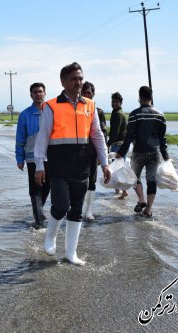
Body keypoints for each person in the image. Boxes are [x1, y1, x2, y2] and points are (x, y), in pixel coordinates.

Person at [34, 62, 111, 265]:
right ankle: (50, 236)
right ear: (63, 81)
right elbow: (42, 137)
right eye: (74, 79)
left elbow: (97, 135)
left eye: (81, 78)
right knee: (61, 205)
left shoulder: (90, 105)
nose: (79, 82)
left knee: (76, 209)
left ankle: (70, 253)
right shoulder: (51, 105)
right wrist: (40, 165)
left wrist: (105, 163)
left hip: (82, 164)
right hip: (58, 164)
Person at [116, 86, 169, 218]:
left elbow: (128, 137)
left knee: (133, 178)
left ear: (139, 98)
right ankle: (149, 210)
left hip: (139, 152)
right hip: (155, 152)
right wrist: (166, 157)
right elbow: (163, 140)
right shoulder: (160, 115)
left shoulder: (134, 114)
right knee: (151, 181)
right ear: (151, 98)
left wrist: (121, 153)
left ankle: (141, 200)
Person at [15, 82, 50, 229]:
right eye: (35, 92)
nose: (38, 94)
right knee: (35, 188)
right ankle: (39, 221)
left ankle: (39, 212)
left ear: (45, 93)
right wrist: (19, 158)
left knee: (47, 186)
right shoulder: (25, 115)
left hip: (50, 157)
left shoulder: (51, 111)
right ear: (31, 95)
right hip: (32, 157)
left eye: (40, 91)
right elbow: (20, 138)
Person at [80, 81, 107, 220]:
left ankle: (88, 211)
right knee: (77, 180)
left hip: (92, 152)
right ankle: (76, 208)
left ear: (93, 94)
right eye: (83, 93)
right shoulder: (75, 109)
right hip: (77, 151)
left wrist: (103, 158)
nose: (86, 95)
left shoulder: (98, 111)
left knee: (92, 181)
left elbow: (102, 134)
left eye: (88, 93)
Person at [107, 91, 128, 199]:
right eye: (113, 102)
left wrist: (108, 143)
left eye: (116, 102)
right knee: (118, 168)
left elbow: (115, 132)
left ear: (121, 103)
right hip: (121, 144)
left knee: (117, 168)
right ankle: (119, 190)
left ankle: (123, 190)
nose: (114, 104)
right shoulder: (119, 112)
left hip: (118, 145)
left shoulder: (118, 114)